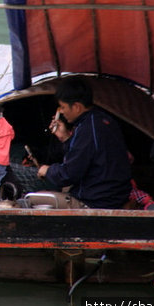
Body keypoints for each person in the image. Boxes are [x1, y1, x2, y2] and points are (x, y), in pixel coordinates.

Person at [36, 77, 131, 209]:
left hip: (98, 202)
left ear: (76, 107)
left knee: (35, 200)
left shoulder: (87, 129)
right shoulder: (102, 120)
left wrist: (47, 170)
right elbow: (85, 156)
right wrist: (64, 137)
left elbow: (69, 174)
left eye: (63, 107)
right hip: (114, 195)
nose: (61, 112)